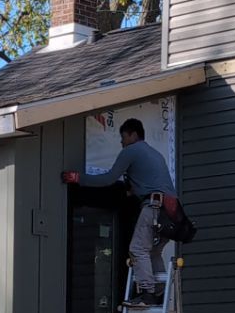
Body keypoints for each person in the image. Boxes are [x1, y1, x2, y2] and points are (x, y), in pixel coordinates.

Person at [63, 119, 176, 300]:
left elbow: (108, 179)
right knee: (154, 251)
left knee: (137, 249)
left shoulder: (131, 151)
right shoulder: (155, 154)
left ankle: (147, 292)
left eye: (123, 137)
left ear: (133, 135)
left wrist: (78, 178)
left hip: (154, 206)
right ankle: (160, 292)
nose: (121, 142)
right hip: (173, 212)